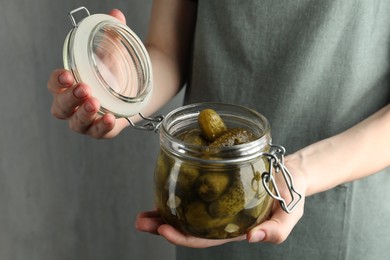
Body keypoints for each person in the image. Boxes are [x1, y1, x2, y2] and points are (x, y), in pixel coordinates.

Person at [48, 0, 390, 259]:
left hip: (339, 219)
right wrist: (122, 89)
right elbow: (167, 49)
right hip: (198, 196)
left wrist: (298, 172)